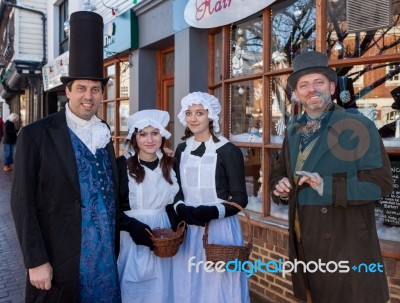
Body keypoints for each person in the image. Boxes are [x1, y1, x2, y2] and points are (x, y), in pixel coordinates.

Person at [10, 11, 120, 303]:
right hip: (60, 260)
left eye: (95, 89)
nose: (89, 96)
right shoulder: (36, 135)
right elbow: (22, 202)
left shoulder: (104, 133)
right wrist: (35, 260)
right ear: (67, 91)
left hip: (106, 259)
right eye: (81, 88)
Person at [269, 51, 393, 303]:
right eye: (303, 85)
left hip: (346, 245)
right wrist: (277, 185)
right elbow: (280, 171)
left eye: (319, 83)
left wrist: (328, 187)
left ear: (332, 87)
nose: (311, 89)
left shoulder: (358, 125)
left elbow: (381, 183)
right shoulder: (294, 129)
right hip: (304, 240)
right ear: (296, 93)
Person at [172, 92, 250, 303]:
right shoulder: (182, 149)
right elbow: (177, 189)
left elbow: (241, 198)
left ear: (211, 116)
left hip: (220, 230)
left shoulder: (227, 150)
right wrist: (181, 208)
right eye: (189, 113)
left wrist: (213, 211)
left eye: (199, 113)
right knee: (190, 283)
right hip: (190, 230)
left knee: (218, 286)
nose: (193, 118)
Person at [117, 109, 180, 303]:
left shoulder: (170, 163)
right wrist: (132, 227)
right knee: (135, 287)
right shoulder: (121, 165)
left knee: (164, 288)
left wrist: (176, 227)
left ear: (163, 135)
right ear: (134, 137)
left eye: (155, 133)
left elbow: (175, 203)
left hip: (165, 237)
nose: (149, 139)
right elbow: (112, 207)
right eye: (143, 134)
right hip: (132, 235)